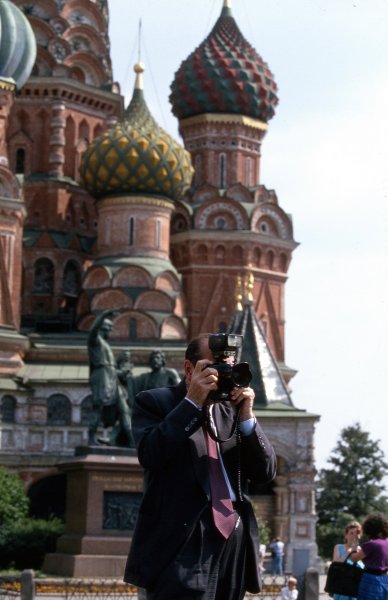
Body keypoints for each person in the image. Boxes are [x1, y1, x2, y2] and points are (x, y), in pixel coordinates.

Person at [124, 333, 277, 600]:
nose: (223, 374)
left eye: (228, 367)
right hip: (184, 539)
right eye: (213, 367)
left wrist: (248, 418)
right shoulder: (156, 402)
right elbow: (151, 454)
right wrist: (192, 402)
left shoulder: (233, 411)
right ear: (189, 368)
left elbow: (265, 472)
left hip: (234, 536)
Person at [87, 309, 134, 447]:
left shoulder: (105, 345)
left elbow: (111, 368)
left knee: (124, 410)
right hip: (102, 378)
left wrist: (122, 372)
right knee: (98, 407)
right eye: (109, 327)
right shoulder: (95, 341)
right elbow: (93, 330)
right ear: (103, 327)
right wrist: (105, 314)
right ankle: (91, 439)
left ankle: (129, 441)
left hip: (112, 379)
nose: (111, 330)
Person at [348, 512, 388, 600]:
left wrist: (355, 541)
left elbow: (353, 558)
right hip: (385, 579)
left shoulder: (370, 545)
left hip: (370, 580)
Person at [331, 520, 363, 600]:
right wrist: (348, 552)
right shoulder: (338, 547)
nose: (354, 536)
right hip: (341, 586)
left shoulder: (361, 549)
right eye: (351, 533)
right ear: (346, 535)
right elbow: (336, 565)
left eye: (356, 533)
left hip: (356, 586)